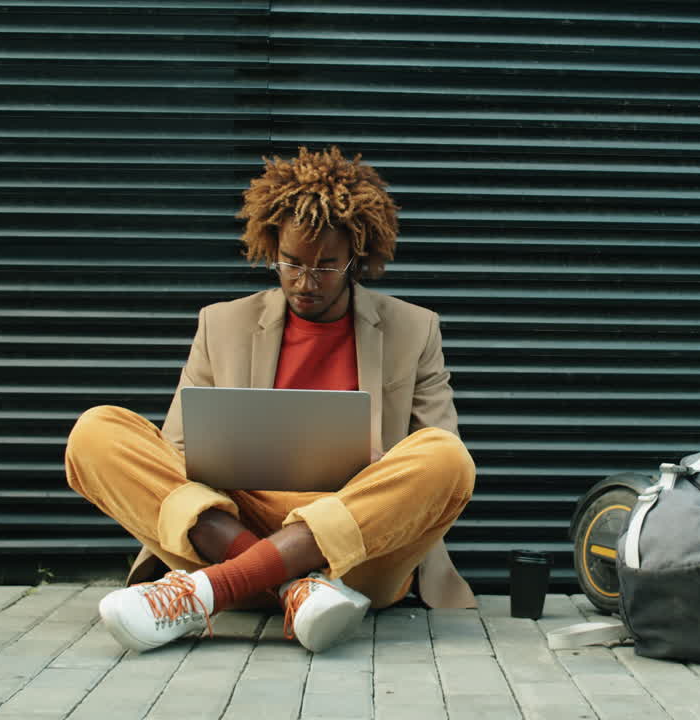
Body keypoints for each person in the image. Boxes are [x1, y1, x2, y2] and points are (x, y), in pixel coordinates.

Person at [64, 146, 476, 654]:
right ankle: (289, 587)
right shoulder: (222, 323)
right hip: (229, 528)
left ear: (356, 256)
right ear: (270, 246)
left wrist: (380, 464)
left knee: (445, 459)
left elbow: (444, 449)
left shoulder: (414, 328)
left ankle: (211, 590)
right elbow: (173, 451)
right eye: (292, 263)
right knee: (96, 431)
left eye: (326, 266)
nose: (306, 282)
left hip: (352, 554)